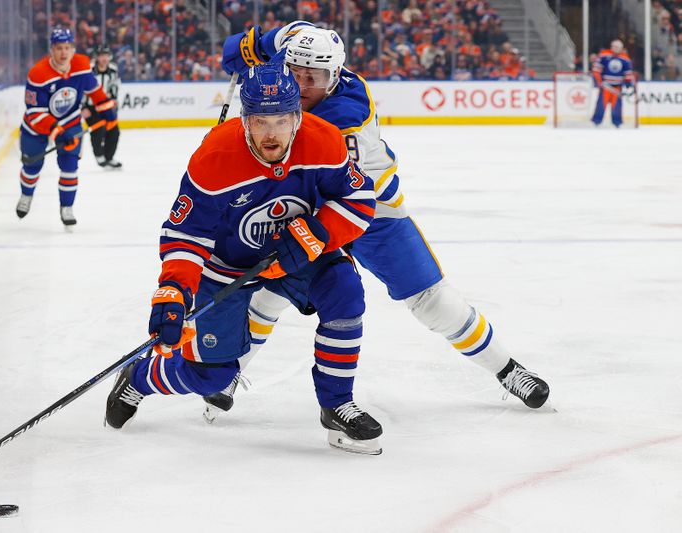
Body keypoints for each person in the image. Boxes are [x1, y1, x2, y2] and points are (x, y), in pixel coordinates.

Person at [206, 22, 550, 419]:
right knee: (269, 293)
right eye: (294, 72)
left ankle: (508, 369)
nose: (300, 85)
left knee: (431, 300)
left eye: (312, 78)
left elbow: (354, 193)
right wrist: (252, 46)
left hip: (369, 210)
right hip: (303, 204)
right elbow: (282, 36)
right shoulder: (293, 55)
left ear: (334, 77)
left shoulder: (346, 118)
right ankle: (229, 373)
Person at [105, 62, 384, 455]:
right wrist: (173, 289)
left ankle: (337, 403)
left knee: (345, 294)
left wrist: (318, 233)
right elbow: (187, 233)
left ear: (297, 116)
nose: (272, 134)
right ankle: (140, 377)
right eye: (260, 121)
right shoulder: (214, 156)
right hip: (224, 268)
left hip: (295, 253)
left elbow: (358, 199)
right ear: (244, 118)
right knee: (211, 378)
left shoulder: (324, 141)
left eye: (282, 121)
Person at [17, 28, 117, 226]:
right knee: (32, 166)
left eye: (68, 48)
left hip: (70, 121)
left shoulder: (81, 64)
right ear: (51, 50)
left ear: (73, 50)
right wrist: (56, 131)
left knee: (70, 166)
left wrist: (106, 108)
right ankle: (26, 195)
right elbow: (35, 112)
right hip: (36, 126)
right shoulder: (38, 74)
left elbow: (93, 89)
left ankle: (67, 207)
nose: (64, 53)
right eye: (59, 48)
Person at [83, 44, 122, 169]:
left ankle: (109, 157)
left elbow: (114, 85)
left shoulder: (113, 70)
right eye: (101, 56)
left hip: (106, 106)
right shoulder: (88, 70)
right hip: (90, 107)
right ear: (96, 58)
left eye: (106, 55)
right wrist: (83, 107)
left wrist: (114, 100)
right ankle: (99, 156)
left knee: (114, 131)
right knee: (98, 128)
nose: (104, 58)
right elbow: (81, 89)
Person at [591, 39, 635, 128]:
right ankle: (596, 121)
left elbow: (628, 73)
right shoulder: (604, 55)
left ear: (621, 48)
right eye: (613, 46)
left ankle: (617, 123)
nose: (615, 48)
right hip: (605, 86)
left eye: (617, 47)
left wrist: (628, 83)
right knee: (601, 104)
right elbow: (596, 69)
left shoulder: (625, 59)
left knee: (617, 106)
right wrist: (598, 81)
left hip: (617, 87)